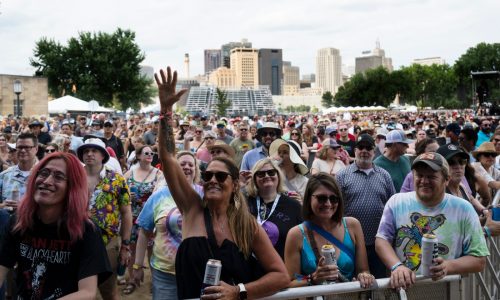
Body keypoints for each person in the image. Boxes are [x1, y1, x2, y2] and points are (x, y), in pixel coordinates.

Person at [155, 67, 289, 299]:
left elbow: (280, 275)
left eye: (220, 176)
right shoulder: (192, 208)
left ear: (235, 184)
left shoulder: (246, 225)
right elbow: (167, 158)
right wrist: (166, 110)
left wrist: (239, 292)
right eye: (207, 176)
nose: (212, 180)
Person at [0, 152, 112, 299]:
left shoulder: (86, 230)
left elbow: (87, 292)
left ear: (72, 187)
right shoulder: (19, 221)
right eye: (44, 173)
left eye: (59, 177)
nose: (46, 181)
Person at [375, 152, 489, 290]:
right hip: (403, 291)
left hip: (447, 292)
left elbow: (479, 260)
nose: (424, 181)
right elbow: (382, 241)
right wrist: (397, 266)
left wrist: (448, 266)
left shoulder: (463, 209)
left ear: (446, 180)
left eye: (431, 176)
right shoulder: (397, 202)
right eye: (419, 175)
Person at [284, 173, 375, 288]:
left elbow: (364, 270)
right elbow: (292, 279)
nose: (328, 204)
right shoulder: (296, 234)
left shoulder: (353, 225)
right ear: (308, 198)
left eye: (333, 198)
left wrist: (364, 276)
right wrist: (312, 278)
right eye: (321, 198)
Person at [77, 138, 132, 300]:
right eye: (86, 151)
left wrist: (125, 245)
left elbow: (126, 212)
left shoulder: (117, 179)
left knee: (109, 291)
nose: (89, 154)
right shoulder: (74, 178)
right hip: (77, 242)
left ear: (103, 155)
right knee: (82, 292)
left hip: (108, 243)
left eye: (94, 151)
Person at [336, 134, 395, 278]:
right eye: (361, 147)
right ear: (355, 150)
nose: (364, 151)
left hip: (379, 243)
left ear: (374, 152)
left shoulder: (384, 175)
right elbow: (335, 207)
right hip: (350, 242)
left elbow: (392, 205)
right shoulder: (342, 175)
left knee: (379, 282)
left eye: (368, 148)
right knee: (353, 283)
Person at [122, 145, 164, 294]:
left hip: (150, 218)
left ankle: (156, 281)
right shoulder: (130, 172)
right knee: (131, 250)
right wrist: (127, 196)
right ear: (138, 156)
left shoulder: (159, 174)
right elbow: (119, 190)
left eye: (151, 153)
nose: (150, 155)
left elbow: (160, 194)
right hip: (132, 217)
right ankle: (132, 279)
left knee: (153, 251)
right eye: (146, 153)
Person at [245, 158, 303, 258]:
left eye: (271, 172)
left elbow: (302, 241)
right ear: (254, 179)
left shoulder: (294, 206)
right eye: (261, 174)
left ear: (278, 176)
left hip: (281, 266)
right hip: (247, 267)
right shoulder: (245, 202)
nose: (267, 176)